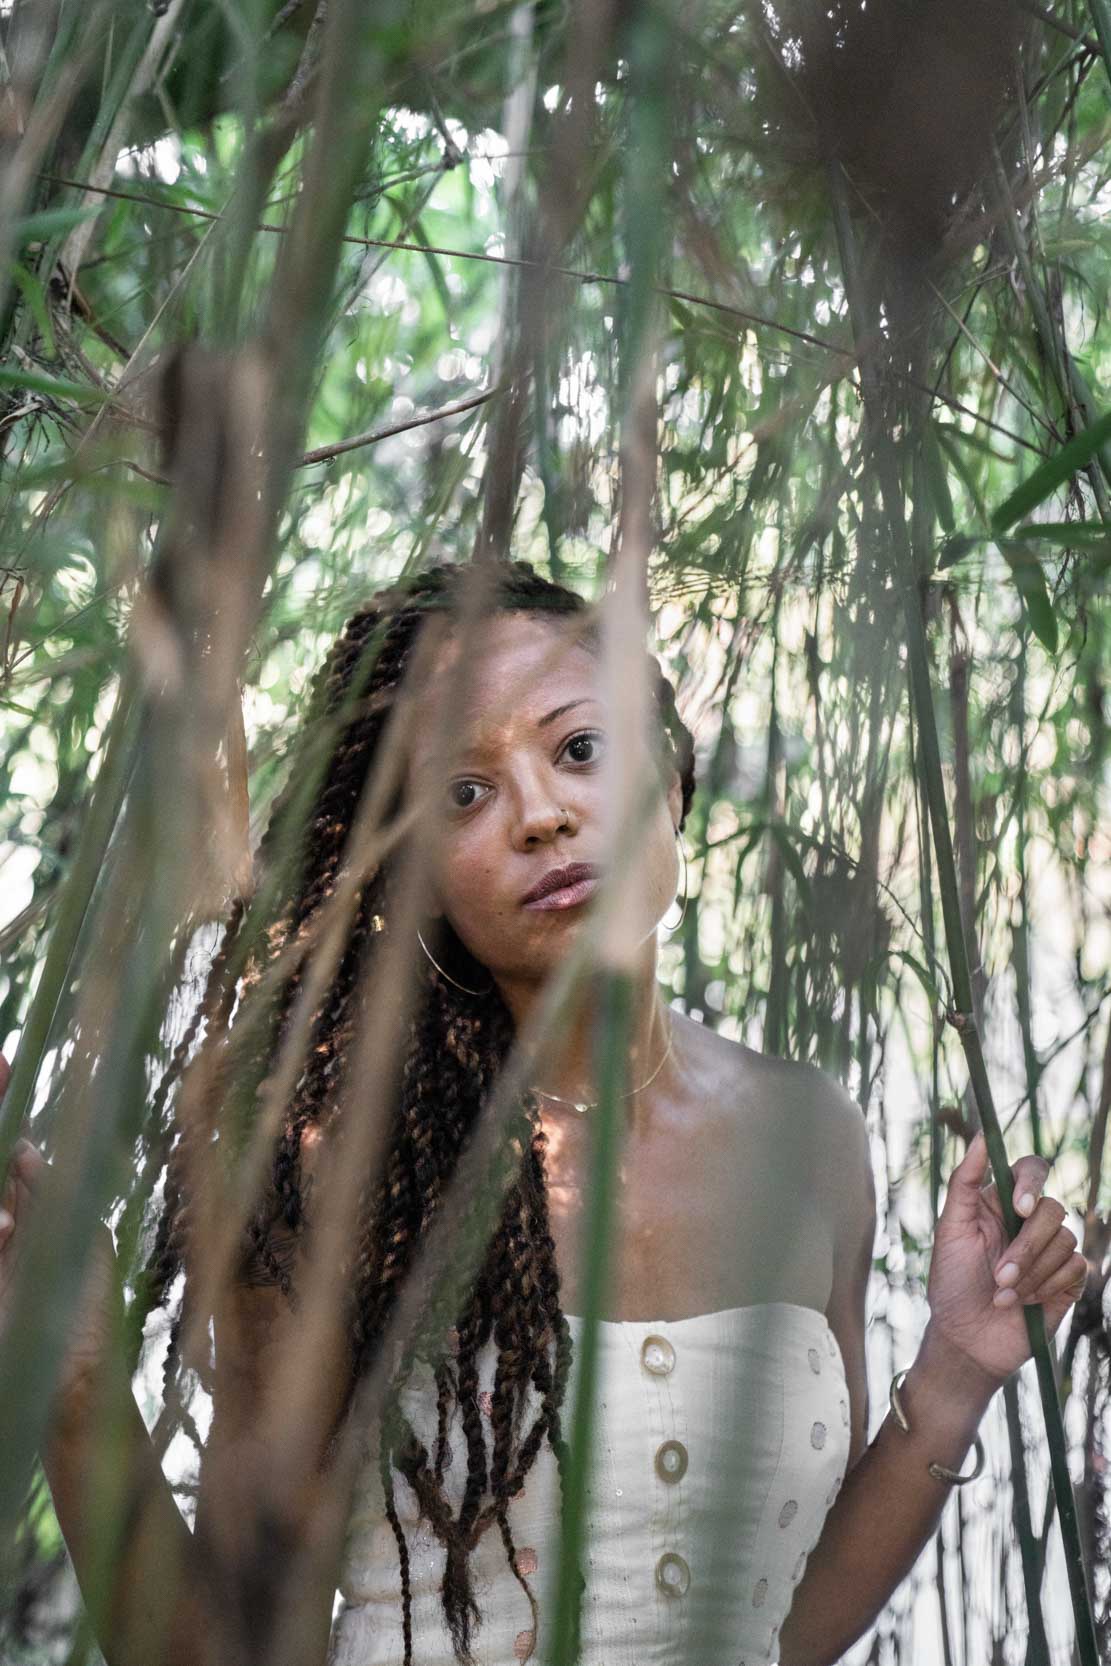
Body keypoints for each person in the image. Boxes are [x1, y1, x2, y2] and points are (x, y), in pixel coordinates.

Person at [0, 560, 1088, 1666]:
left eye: (578, 748)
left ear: (669, 777)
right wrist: (79, 1382)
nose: (542, 814)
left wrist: (954, 1369)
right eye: (463, 793)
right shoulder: (336, 1156)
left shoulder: (805, 1132)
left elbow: (776, 1624)